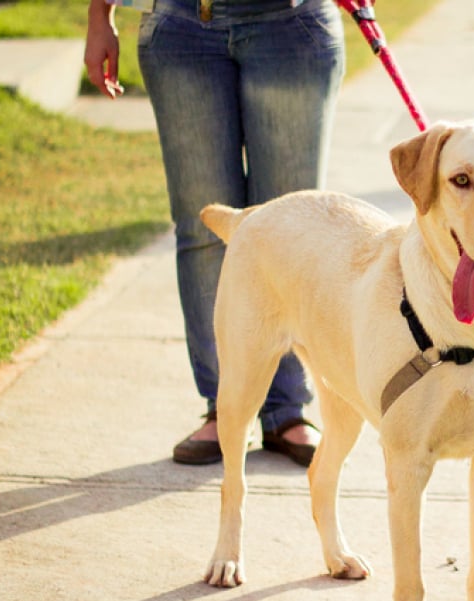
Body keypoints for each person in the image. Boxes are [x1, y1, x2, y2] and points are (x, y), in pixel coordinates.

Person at [84, 0, 345, 465]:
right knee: (203, 225)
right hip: (181, 26)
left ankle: (286, 410)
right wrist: (99, 13)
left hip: (290, 25)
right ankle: (225, 409)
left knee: (293, 234)